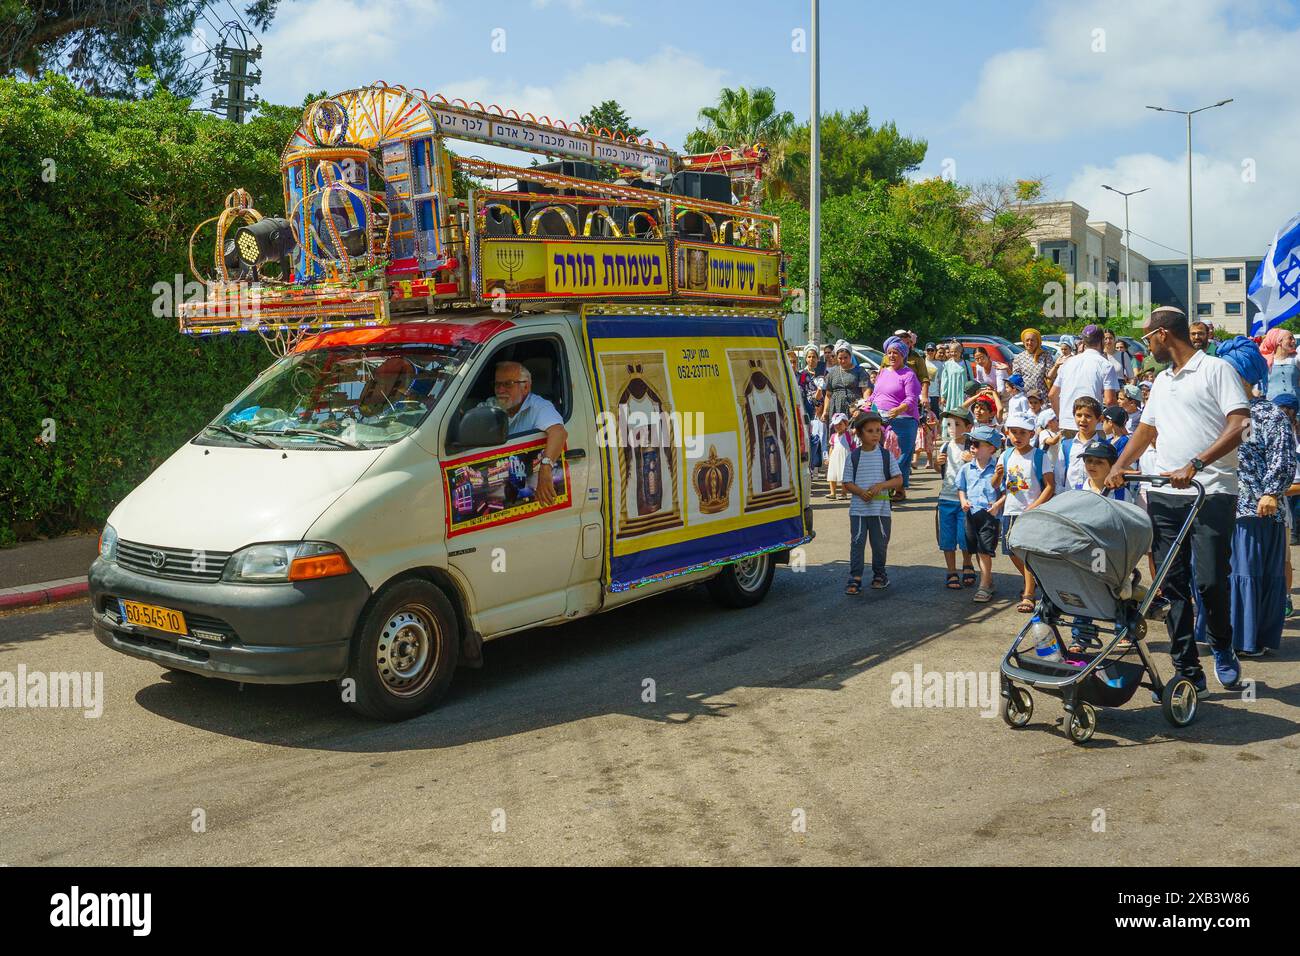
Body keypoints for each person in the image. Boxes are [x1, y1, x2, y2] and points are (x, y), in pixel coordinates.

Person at [1106, 307, 1250, 691]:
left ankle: (1221, 646)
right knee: (1172, 586)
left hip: (1211, 491)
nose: (1146, 343)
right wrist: (1119, 464)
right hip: (1165, 495)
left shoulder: (1216, 370)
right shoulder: (1162, 382)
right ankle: (1188, 670)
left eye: (1148, 336)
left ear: (1164, 334)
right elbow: (1147, 430)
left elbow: (1240, 424)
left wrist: (1197, 462)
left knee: (1209, 582)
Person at [1214, 337, 1295, 658]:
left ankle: (1249, 640)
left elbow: (1284, 458)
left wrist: (1271, 492)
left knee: (1250, 576)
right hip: (1220, 506)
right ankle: (1223, 636)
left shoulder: (1270, 414)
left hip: (1256, 511)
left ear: (1245, 378)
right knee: (1223, 575)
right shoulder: (1218, 413)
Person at [484, 361, 568, 507]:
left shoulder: (539, 406)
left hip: (527, 487)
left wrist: (546, 468)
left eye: (508, 384)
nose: (501, 389)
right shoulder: (491, 405)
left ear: (526, 387)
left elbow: (559, 432)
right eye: (497, 384)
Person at [997, 413, 1055, 612]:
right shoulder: (1005, 455)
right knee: (1010, 550)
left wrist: (1035, 505)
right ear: (1007, 433)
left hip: (1031, 512)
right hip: (1010, 510)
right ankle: (1034, 580)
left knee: (1027, 553)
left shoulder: (1039, 456)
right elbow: (996, 485)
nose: (1017, 437)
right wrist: (996, 477)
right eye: (1014, 432)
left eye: (1022, 432)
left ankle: (1028, 594)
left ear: (1031, 434)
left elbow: (1049, 486)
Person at [842, 411, 903, 594]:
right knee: (857, 543)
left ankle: (880, 575)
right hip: (859, 511)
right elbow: (846, 483)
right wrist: (860, 492)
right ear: (859, 434)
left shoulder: (886, 455)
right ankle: (855, 578)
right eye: (870, 431)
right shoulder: (853, 456)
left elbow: (898, 479)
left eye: (878, 430)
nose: (875, 434)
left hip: (881, 510)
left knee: (879, 545)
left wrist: (882, 485)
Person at [957, 424, 1004, 604]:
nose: (972, 446)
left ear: (991, 448)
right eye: (971, 442)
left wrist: (998, 505)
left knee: (984, 550)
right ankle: (988, 580)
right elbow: (961, 488)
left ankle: (984, 585)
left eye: (976, 444)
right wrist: (963, 500)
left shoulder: (998, 469)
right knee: (976, 548)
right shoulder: (966, 468)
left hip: (988, 515)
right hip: (971, 514)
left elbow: (1007, 491)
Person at [872, 335, 923, 501]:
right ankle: (896, 490)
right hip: (881, 420)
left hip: (904, 420)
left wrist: (898, 409)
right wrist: (864, 405)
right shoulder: (883, 372)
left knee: (901, 457)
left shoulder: (908, 375)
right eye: (889, 353)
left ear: (903, 355)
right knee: (883, 456)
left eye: (896, 353)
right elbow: (875, 394)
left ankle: (889, 489)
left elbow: (911, 399)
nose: (892, 356)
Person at [1050, 324, 1119, 434]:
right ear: (1102, 341)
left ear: (1084, 342)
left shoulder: (1068, 362)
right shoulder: (1105, 365)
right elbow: (1110, 400)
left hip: (1067, 424)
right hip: (1092, 425)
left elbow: (1052, 395)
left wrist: (1061, 418)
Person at [935, 409, 976, 589]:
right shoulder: (945, 446)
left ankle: (967, 563)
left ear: (968, 427)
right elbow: (942, 472)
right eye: (949, 424)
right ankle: (951, 570)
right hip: (945, 498)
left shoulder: (972, 448)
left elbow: (980, 471)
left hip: (965, 500)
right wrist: (938, 464)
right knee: (947, 538)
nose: (952, 428)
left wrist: (972, 461)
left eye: (957, 424)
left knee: (964, 535)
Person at [1056, 396, 1103, 491]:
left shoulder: (1104, 447)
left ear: (1099, 419)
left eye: (1088, 416)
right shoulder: (1066, 445)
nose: (1082, 420)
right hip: (1070, 497)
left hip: (1094, 498)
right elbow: (1059, 476)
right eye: (1079, 415)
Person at [822, 344, 870, 422]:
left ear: (850, 356)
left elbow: (866, 390)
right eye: (840, 358)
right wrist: (825, 411)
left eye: (845, 357)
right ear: (837, 358)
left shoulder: (860, 371)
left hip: (854, 408)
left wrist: (862, 408)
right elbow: (828, 395)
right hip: (836, 409)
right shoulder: (832, 373)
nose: (843, 361)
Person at [1013, 328, 1056, 394]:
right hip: (1025, 396)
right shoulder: (1019, 358)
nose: (1029, 343)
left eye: (1032, 340)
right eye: (1027, 340)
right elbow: (1016, 378)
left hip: (1042, 397)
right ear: (1024, 342)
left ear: (1037, 342)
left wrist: (1056, 366)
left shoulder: (1045, 356)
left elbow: (1051, 376)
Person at [1263, 327, 1300, 403]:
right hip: (1273, 406)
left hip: (1295, 407)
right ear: (1279, 341)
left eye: (1293, 338)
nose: (1294, 341)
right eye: (1290, 338)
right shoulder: (1266, 361)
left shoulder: (1296, 358)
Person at [825, 412, 854, 499]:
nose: (837, 426)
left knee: (843, 475)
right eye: (835, 425)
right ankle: (832, 493)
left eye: (840, 424)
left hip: (845, 457)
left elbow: (858, 429)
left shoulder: (848, 434)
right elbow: (831, 447)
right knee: (832, 475)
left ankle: (843, 493)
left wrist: (856, 416)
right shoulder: (833, 436)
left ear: (846, 424)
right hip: (834, 458)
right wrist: (829, 458)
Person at [937, 340, 971, 412]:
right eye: (951, 351)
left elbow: (971, 379)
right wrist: (943, 396)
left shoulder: (966, 363)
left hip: (963, 395)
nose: (953, 353)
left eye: (955, 351)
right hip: (951, 395)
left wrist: (970, 394)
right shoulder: (947, 364)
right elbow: (944, 382)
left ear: (960, 351)